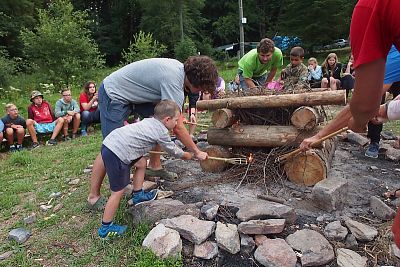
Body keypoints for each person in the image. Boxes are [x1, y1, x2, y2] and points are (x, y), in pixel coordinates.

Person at [298, 0, 400, 249]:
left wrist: (359, 121)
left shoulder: (372, 7)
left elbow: (364, 104)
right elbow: (376, 106)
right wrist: (386, 111)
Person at [87, 56, 218, 211]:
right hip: (114, 92)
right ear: (195, 82)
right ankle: (93, 197)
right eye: (201, 88)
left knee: (160, 122)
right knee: (112, 145)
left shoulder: (180, 72)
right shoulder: (174, 82)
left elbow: (170, 120)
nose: (201, 91)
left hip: (135, 95)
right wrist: (196, 151)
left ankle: (155, 166)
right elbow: (178, 127)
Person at [97, 100, 192, 239]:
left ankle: (138, 195)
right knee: (118, 191)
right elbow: (172, 149)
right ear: (167, 119)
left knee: (141, 162)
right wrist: (186, 155)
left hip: (114, 144)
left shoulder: (151, 121)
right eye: (176, 120)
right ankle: (105, 229)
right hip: (117, 152)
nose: (177, 124)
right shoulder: (161, 132)